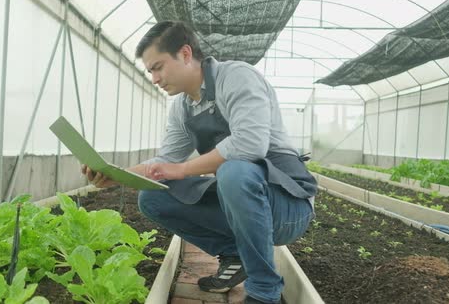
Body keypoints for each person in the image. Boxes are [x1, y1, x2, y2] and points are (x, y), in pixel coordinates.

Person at [81, 20, 317, 304]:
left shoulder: (237, 77)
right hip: (244, 205)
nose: (154, 79)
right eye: (150, 71)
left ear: (185, 53)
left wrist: (182, 169)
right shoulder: (182, 108)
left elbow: (250, 143)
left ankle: (264, 291)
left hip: (287, 205)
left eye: (158, 67)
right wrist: (115, 174)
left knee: (234, 171)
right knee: (153, 198)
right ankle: (234, 254)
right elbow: (165, 161)